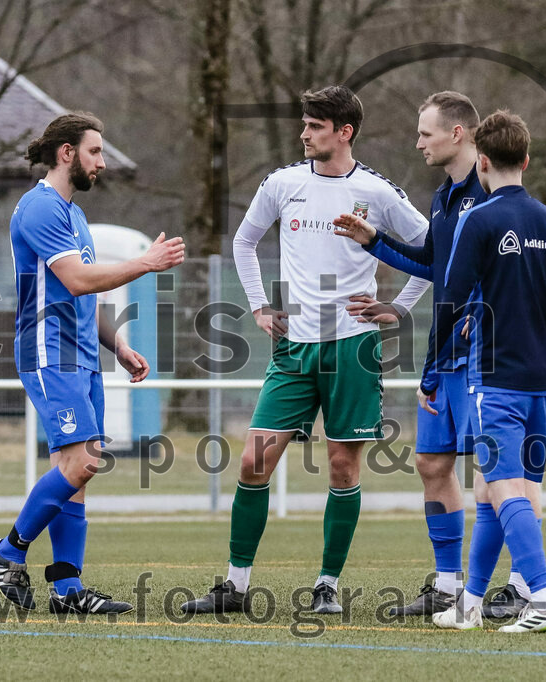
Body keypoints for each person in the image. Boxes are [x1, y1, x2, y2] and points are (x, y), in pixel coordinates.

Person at [180, 85, 430, 616]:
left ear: (345, 132)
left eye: (316, 126)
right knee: (252, 461)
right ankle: (236, 586)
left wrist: (399, 307)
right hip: (292, 349)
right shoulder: (282, 183)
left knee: (343, 468)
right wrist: (258, 306)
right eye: (304, 123)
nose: (304, 133)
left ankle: (327, 586)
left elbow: (430, 251)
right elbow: (243, 243)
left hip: (353, 348)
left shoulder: (378, 192)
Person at [333, 92, 537, 618]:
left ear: (459, 134)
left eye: (425, 133)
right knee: (431, 462)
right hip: (444, 352)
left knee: (495, 473)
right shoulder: (444, 197)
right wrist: (374, 241)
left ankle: (519, 586)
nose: (418, 142)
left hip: (482, 357)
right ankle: (448, 585)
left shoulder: (494, 199)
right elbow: (434, 262)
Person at [0, 112, 186, 614]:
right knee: (83, 463)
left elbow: (86, 294)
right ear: (66, 153)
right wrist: (145, 263)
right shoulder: (38, 209)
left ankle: (67, 590)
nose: (101, 162)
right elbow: (77, 279)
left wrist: (116, 345)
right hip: (48, 353)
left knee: (76, 472)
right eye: (95, 152)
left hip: (82, 356)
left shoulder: (73, 215)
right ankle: (8, 550)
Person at [417, 109, 546, 632]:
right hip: (538, 382)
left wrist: (429, 374)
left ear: (484, 160)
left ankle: (543, 598)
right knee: (497, 491)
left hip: (491, 381)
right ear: (528, 160)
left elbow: (449, 304)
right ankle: (469, 604)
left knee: (502, 484)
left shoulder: (480, 218)